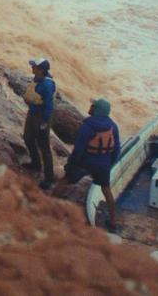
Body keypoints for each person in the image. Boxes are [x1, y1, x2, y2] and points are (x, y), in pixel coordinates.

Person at [51, 98, 121, 232]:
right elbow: (116, 149)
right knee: (106, 190)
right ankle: (113, 222)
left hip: (86, 161)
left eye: (93, 106)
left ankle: (49, 203)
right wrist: (109, 164)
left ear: (97, 109)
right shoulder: (113, 126)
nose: (90, 107)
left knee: (65, 180)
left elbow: (79, 150)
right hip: (103, 164)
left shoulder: (87, 126)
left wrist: (71, 166)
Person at [22, 58, 57, 186]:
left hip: (41, 117)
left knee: (44, 147)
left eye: (34, 67)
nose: (32, 68)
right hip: (32, 113)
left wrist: (45, 122)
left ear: (41, 70)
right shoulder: (37, 78)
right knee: (28, 138)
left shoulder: (47, 85)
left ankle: (49, 178)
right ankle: (36, 164)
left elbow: (49, 106)